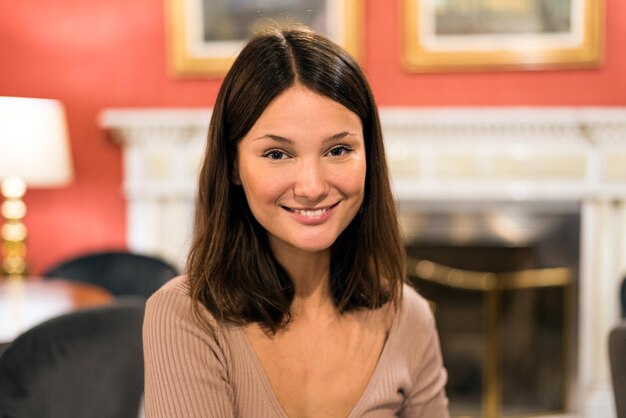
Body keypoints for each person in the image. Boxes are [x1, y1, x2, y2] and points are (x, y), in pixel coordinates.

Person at [143, 25, 449, 418]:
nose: (312, 186)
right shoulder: (185, 317)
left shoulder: (409, 317)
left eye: (339, 150)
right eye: (276, 154)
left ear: (369, 158)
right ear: (233, 165)